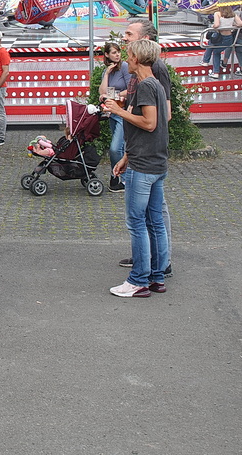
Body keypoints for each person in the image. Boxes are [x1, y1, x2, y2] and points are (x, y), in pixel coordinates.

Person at [102, 39, 170, 298]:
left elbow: (149, 123)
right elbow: (153, 128)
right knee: (155, 222)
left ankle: (138, 279)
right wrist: (126, 157)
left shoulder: (144, 85)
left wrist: (118, 111)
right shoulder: (155, 85)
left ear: (138, 59)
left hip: (144, 167)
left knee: (137, 223)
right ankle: (157, 276)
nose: (126, 59)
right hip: (153, 161)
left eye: (129, 55)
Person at [118, 19, 174, 275]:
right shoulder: (143, 81)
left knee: (145, 220)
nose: (124, 38)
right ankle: (155, 266)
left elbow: (157, 118)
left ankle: (148, 270)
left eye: (129, 35)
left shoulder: (152, 76)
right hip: (146, 156)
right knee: (150, 220)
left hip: (147, 159)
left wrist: (123, 112)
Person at [99, 42, 131, 193]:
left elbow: (130, 87)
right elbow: (102, 91)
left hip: (123, 110)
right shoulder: (108, 71)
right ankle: (121, 177)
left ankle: (117, 176)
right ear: (107, 55)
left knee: (115, 148)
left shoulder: (124, 67)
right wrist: (106, 74)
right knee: (121, 145)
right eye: (113, 53)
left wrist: (115, 95)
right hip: (112, 112)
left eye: (118, 52)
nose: (117, 55)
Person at [205, 7, 240, 78]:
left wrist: (213, 26)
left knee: (215, 50)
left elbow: (217, 25)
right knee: (213, 46)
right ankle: (206, 62)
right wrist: (232, 26)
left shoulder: (217, 14)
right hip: (229, 37)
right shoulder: (233, 14)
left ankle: (213, 69)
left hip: (221, 37)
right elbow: (240, 23)